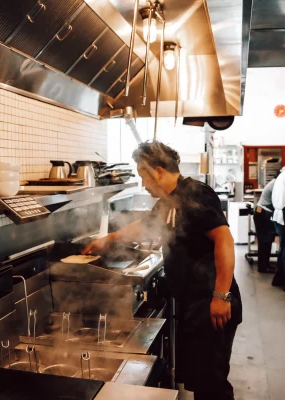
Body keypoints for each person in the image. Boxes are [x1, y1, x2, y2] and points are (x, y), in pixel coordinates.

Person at [83, 141, 242, 400]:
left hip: (209, 303)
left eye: (143, 175)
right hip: (194, 304)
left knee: (213, 386)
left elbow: (224, 240)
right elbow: (144, 226)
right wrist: (108, 239)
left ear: (158, 170)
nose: (143, 183)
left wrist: (221, 295)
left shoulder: (195, 194)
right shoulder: (169, 200)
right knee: (202, 381)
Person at [253, 176, 278, 273]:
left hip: (262, 213)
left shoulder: (277, 181)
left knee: (266, 240)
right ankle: (263, 267)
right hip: (263, 214)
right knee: (265, 241)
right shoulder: (277, 184)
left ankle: (264, 265)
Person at [272, 167, 285, 289]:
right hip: (282, 216)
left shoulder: (281, 176)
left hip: (279, 217)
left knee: (283, 250)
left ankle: (278, 279)